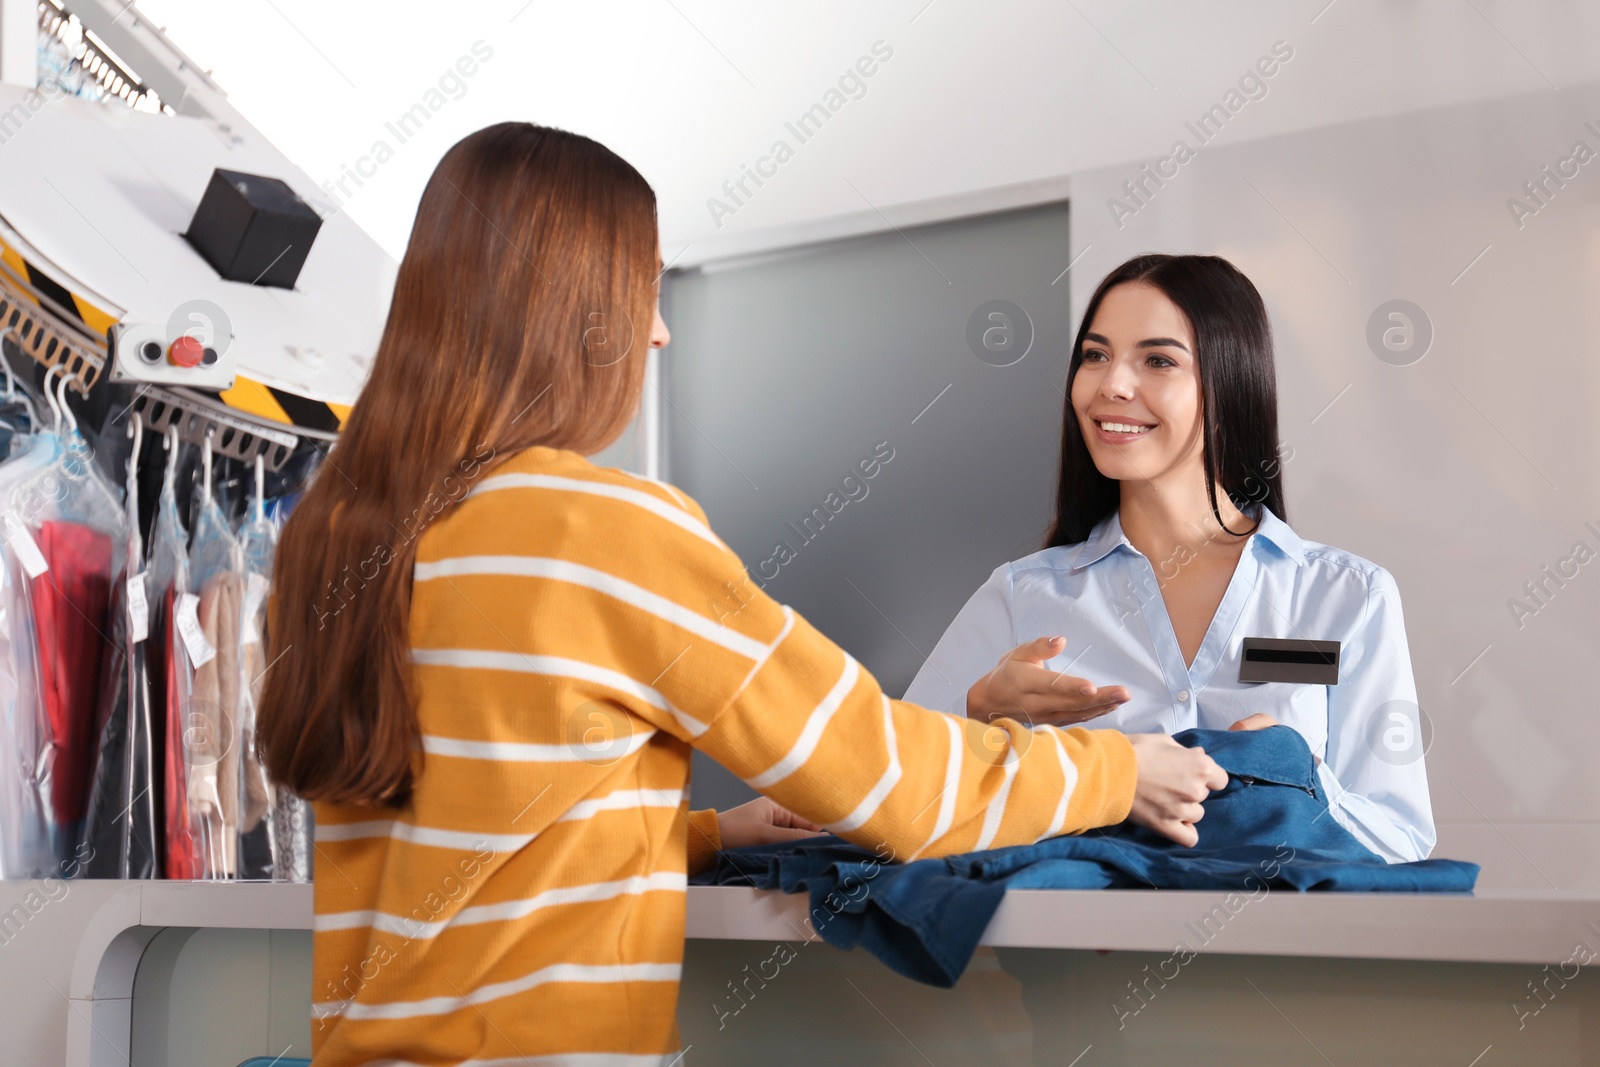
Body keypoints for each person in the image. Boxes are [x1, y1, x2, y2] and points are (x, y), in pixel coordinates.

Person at [256, 124, 1226, 1066]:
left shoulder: (343, 533)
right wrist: (1117, 769)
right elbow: (895, 784)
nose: (660, 328)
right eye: (642, 288)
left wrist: (714, 834)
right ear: (570, 309)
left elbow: (465, 837)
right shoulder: (600, 529)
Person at [905, 253, 1434, 865]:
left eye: (1157, 360)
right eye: (1095, 355)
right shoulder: (1025, 596)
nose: (1111, 386)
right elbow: (888, 795)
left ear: (1230, 382)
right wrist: (980, 713)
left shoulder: (1346, 596)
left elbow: (1400, 840)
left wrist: (1301, 781)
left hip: (1282, 955)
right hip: (1078, 954)